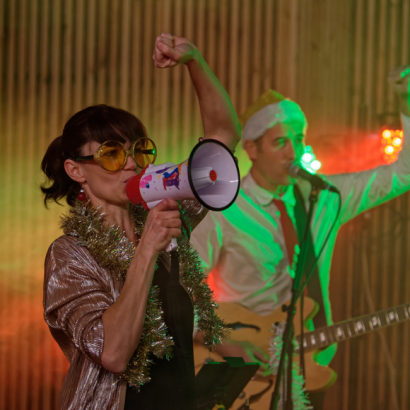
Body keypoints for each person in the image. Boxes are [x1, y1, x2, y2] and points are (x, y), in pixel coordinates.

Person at [41, 33, 241, 410]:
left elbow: (223, 138)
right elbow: (113, 354)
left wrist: (195, 61)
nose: (131, 163)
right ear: (76, 170)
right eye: (111, 154)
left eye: (137, 150)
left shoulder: (161, 215)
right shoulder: (69, 256)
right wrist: (146, 249)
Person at [191, 66, 410, 409]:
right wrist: (223, 341)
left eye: (299, 139)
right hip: (243, 369)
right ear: (252, 148)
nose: (293, 152)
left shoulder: (325, 197)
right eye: (280, 142)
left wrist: (407, 102)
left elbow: (404, 172)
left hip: (310, 365)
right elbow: (184, 288)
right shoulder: (225, 211)